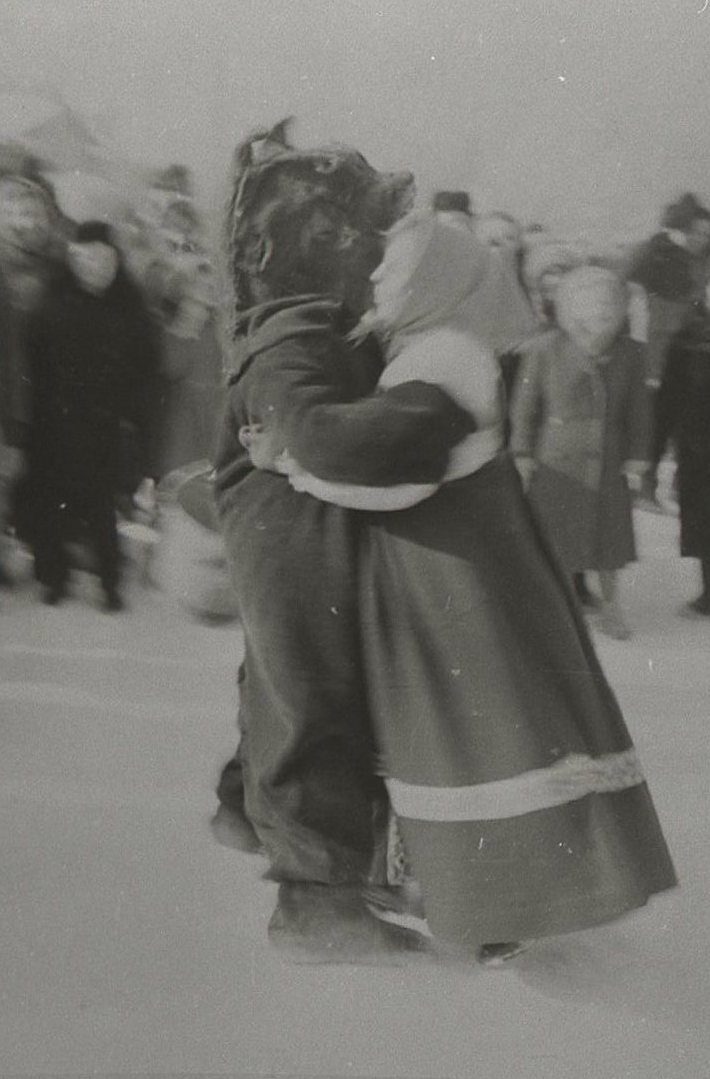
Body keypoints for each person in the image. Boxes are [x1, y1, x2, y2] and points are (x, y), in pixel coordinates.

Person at [239, 209, 676, 964]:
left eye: (393, 271)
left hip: (453, 572)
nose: (375, 281)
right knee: (454, 730)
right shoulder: (436, 345)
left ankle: (500, 905)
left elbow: (397, 475)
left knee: (474, 737)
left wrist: (290, 464)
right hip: (455, 564)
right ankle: (457, 891)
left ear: (436, 283)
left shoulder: (442, 359)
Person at [213, 121, 473, 963]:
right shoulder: (295, 341)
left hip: (299, 545)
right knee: (316, 704)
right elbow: (322, 439)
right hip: (297, 550)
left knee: (286, 690)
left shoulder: (308, 327)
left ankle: (247, 813)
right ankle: (315, 905)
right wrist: (432, 413)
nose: (381, 262)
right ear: (324, 246)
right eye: (371, 242)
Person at [22, 221, 160, 609]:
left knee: (102, 507)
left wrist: (135, 424)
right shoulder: (49, 307)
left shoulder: (132, 312)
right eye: (84, 259)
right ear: (72, 260)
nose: (93, 267)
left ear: (115, 261)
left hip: (107, 426)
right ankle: (55, 578)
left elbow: (145, 374)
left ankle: (109, 583)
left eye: (102, 259)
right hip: (56, 424)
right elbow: (34, 367)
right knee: (55, 504)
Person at [510, 265, 650, 639]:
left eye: (609, 303)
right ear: (571, 306)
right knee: (557, 538)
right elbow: (524, 406)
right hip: (556, 461)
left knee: (609, 542)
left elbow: (640, 409)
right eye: (591, 303)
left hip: (609, 460)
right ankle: (558, 607)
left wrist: (638, 456)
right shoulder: (545, 348)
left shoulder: (631, 353)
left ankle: (611, 607)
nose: (602, 310)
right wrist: (522, 452)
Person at [626, 193, 710, 504]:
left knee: (692, 420)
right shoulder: (658, 254)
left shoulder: (701, 260)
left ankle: (680, 483)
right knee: (660, 418)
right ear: (681, 230)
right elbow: (634, 294)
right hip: (660, 350)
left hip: (691, 349)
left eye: (707, 234)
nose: (701, 239)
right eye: (696, 232)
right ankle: (646, 483)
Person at [652, 308, 710, 617]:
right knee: (704, 521)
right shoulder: (687, 340)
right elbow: (668, 400)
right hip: (699, 449)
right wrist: (654, 451)